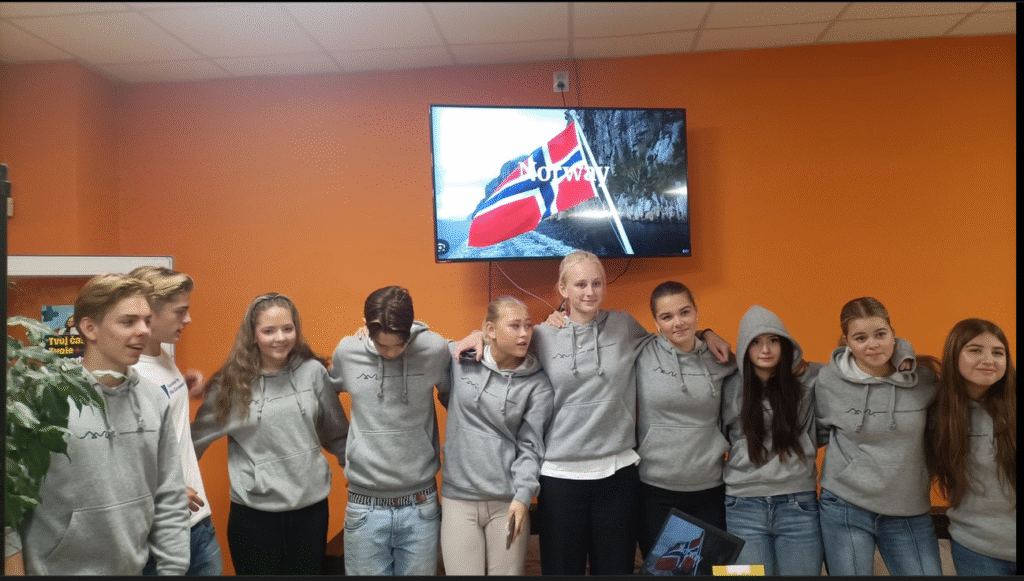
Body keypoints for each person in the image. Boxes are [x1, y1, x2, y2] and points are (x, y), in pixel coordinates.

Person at [457, 250, 731, 575]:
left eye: (597, 283)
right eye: (581, 284)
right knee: (563, 570)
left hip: (617, 475)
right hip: (560, 476)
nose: (590, 292)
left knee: (616, 570)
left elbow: (670, 339)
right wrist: (478, 334)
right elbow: (503, 344)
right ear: (563, 289)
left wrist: (706, 333)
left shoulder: (624, 326)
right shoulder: (542, 335)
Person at [4, 274, 190, 575]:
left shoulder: (155, 400)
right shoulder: (43, 398)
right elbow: (10, 501)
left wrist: (173, 570)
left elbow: (170, 496)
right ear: (89, 328)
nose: (144, 330)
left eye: (146, 321)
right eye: (128, 322)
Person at [190, 292, 347, 575]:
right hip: (254, 517)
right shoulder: (231, 384)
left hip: (310, 512)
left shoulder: (313, 372)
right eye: (269, 331)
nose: (280, 338)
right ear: (253, 335)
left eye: (287, 328)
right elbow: (191, 443)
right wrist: (172, 485)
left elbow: (336, 434)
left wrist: (360, 475)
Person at [325, 285, 451, 576]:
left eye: (399, 345)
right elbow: (326, 400)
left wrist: (477, 335)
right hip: (364, 506)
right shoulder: (348, 351)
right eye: (383, 346)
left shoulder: (434, 349)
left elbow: (454, 392)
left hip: (421, 504)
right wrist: (347, 451)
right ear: (367, 328)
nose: (392, 353)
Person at [814, 296, 942, 576]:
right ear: (847, 342)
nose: (872, 344)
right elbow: (819, 431)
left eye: (880, 334)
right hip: (845, 505)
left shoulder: (924, 380)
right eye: (860, 338)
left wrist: (905, 350)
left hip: (908, 507)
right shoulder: (828, 380)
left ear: (893, 335)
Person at [439, 296, 554, 575]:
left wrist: (523, 496)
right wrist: (368, 330)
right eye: (514, 326)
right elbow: (419, 341)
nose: (524, 333)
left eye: (528, 325)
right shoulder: (459, 358)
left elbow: (531, 446)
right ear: (490, 329)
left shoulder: (538, 383)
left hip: (508, 501)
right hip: (459, 498)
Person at [129, 266, 223, 576]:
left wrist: (183, 382)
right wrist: (163, 491)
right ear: (149, 312)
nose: (188, 319)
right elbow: (119, 456)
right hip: (160, 530)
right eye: (180, 311)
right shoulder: (127, 374)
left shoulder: (160, 354)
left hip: (198, 521)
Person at [634, 282, 737, 560]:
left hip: (710, 489)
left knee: (712, 571)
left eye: (684, 312)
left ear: (696, 311)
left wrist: (708, 334)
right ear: (656, 321)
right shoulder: (642, 352)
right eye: (667, 317)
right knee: (668, 571)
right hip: (656, 491)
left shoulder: (721, 358)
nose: (678, 323)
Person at [720, 305, 823, 575]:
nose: (765, 349)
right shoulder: (727, 384)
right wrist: (706, 333)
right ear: (744, 348)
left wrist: (902, 350)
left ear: (785, 344)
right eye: (755, 342)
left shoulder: (808, 378)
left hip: (798, 504)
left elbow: (858, 363)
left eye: (773, 340)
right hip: (741, 506)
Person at [929, 318, 1016, 575]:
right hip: (978, 551)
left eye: (998, 352)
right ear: (954, 354)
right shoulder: (936, 410)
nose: (989, 360)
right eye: (975, 350)